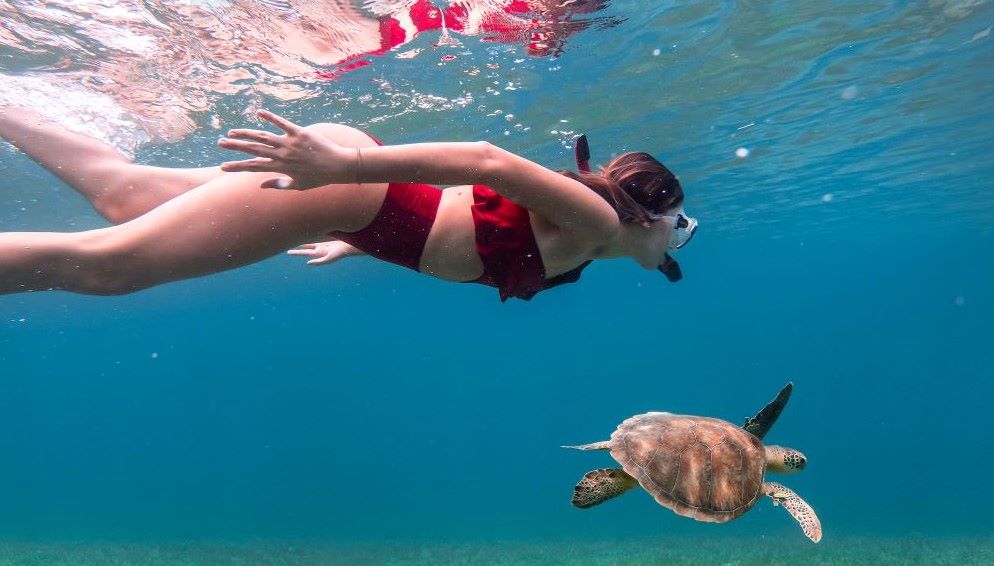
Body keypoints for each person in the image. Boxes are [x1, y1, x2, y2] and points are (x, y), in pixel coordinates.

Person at [0, 109, 696, 301]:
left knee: (124, 196)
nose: (678, 245)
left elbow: (451, 222)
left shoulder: (580, 247)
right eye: (682, 229)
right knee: (108, 268)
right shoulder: (595, 221)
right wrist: (343, 171)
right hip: (337, 183)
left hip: (346, 200)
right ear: (651, 217)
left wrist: (355, 235)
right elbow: (484, 162)